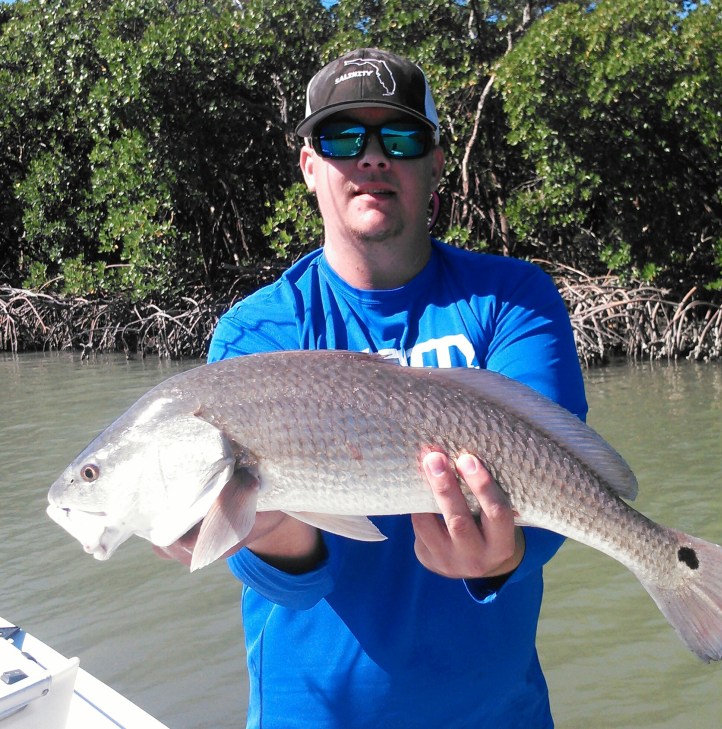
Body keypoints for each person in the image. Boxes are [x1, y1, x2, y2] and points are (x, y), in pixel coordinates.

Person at [162, 48, 587, 728]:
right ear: (308, 166)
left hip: (496, 711)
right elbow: (289, 586)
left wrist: (502, 555)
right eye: (339, 138)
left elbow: (557, 481)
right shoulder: (255, 333)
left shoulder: (512, 298)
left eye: (399, 136)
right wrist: (265, 533)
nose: (370, 158)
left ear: (436, 161)